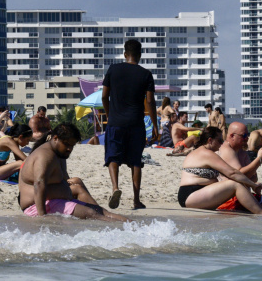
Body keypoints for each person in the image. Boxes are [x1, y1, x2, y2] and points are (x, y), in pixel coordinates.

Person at [17, 122, 122, 220]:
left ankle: (133, 226)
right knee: (92, 214)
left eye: (72, 145)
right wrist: (43, 217)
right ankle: (120, 231)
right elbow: (39, 183)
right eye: (66, 144)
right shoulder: (45, 155)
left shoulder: (57, 154)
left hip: (56, 201)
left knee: (100, 211)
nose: (69, 149)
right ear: (55, 138)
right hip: (36, 207)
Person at [101, 38, 158, 210]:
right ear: (140, 55)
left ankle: (115, 187)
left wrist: (110, 115)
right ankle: (136, 200)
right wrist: (155, 125)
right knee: (135, 161)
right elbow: (150, 101)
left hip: (115, 122)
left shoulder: (113, 69)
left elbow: (104, 96)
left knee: (113, 156)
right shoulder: (146, 74)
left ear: (125, 54)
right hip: (136, 123)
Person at [177, 126, 262, 213]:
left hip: (196, 194)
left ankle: (259, 212)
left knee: (235, 184)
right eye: (220, 140)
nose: (222, 143)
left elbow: (231, 174)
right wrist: (253, 185)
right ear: (210, 140)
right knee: (235, 185)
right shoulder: (206, 153)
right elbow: (232, 173)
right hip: (190, 194)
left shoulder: (203, 152)